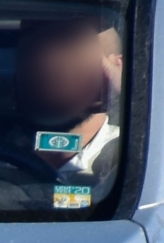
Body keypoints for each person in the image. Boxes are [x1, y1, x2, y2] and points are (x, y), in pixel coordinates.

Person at [14, 15, 124, 191]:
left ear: (114, 68)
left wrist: (124, 93)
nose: (48, 62)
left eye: (71, 49)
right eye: (32, 48)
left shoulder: (139, 158)